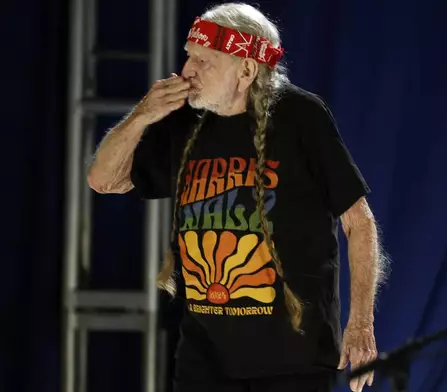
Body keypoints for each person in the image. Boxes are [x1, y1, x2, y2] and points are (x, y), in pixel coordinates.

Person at [87, 3, 388, 392]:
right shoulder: (185, 119)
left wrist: (360, 324)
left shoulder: (300, 116)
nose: (187, 71)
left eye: (203, 61)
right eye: (188, 58)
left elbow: (358, 221)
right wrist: (142, 115)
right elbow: (103, 180)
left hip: (292, 358)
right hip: (205, 359)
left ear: (246, 70)